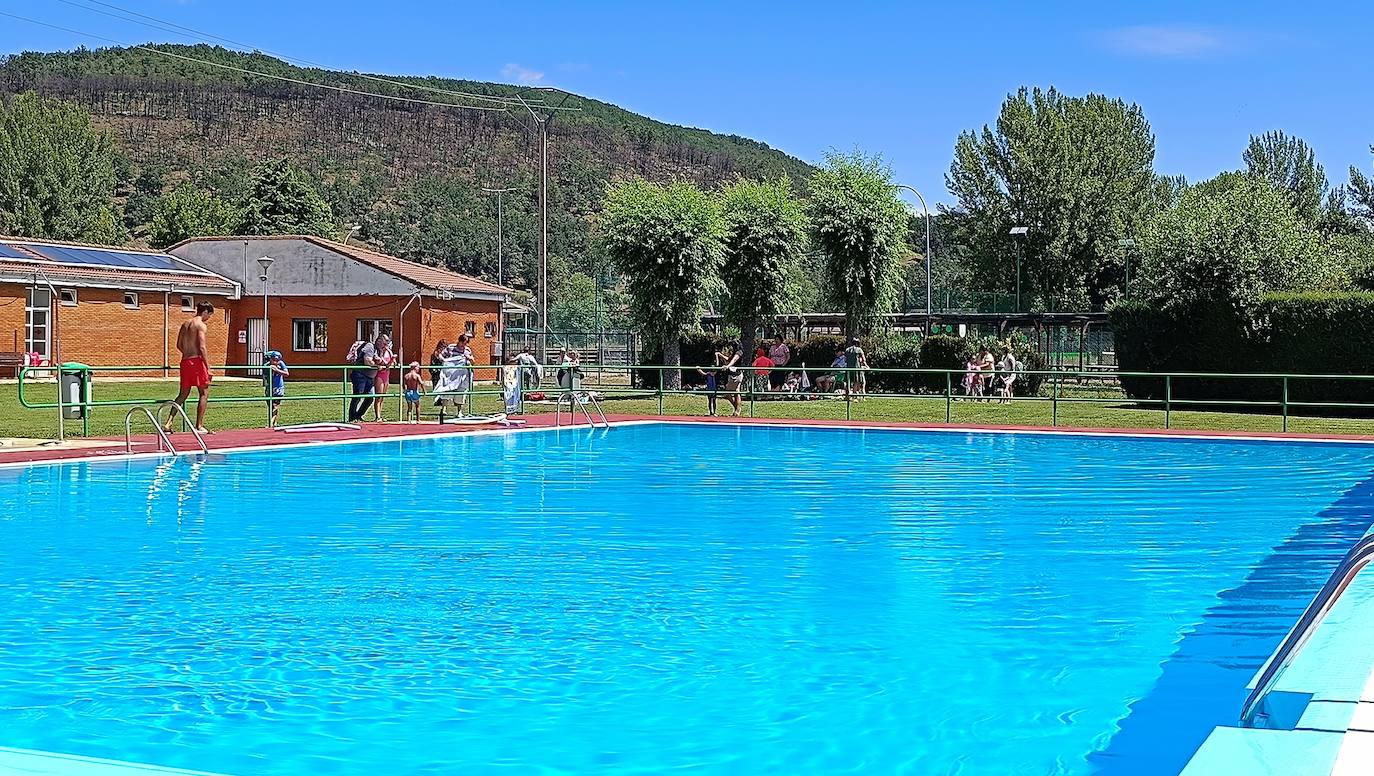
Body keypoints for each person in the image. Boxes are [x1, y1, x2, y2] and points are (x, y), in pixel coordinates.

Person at [166, 301, 216, 433]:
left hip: (185, 361)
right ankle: (199, 426)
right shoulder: (200, 325)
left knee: (183, 394)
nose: (208, 318)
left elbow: (179, 345)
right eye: (209, 315)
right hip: (197, 362)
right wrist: (208, 367)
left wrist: (187, 353)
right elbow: (202, 347)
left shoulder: (185, 324)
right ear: (205, 312)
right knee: (204, 393)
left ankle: (168, 422)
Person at [432, 335, 475, 423]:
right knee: (447, 391)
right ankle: (444, 409)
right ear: (459, 341)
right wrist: (444, 360)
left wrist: (470, 359)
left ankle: (459, 412)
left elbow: (472, 361)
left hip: (461, 375)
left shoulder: (467, 350)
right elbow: (440, 355)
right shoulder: (450, 348)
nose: (463, 346)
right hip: (450, 375)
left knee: (461, 393)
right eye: (462, 343)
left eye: (465, 344)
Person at [346, 335, 383, 422]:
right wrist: (377, 366)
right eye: (384, 343)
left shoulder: (378, 350)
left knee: (370, 398)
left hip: (369, 377)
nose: (385, 345)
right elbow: (367, 361)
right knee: (358, 396)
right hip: (360, 375)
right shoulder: (370, 346)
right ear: (379, 341)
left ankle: (358, 416)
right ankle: (352, 417)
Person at [371, 334, 395, 422]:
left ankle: (380, 415)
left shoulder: (388, 351)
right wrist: (382, 352)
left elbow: (393, 361)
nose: (386, 343)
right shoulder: (377, 351)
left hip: (386, 374)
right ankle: (377, 416)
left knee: (383, 397)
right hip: (380, 374)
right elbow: (381, 361)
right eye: (385, 341)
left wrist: (391, 359)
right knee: (379, 396)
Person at [265, 350, 288, 428]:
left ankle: (270, 425)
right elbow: (266, 377)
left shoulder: (281, 364)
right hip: (269, 388)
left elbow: (286, 373)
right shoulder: (266, 365)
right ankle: (274, 424)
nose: (275, 362)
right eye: (274, 360)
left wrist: (277, 370)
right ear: (270, 359)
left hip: (278, 388)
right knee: (271, 406)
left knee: (275, 406)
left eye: (277, 360)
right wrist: (270, 369)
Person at [720, 342, 743, 416]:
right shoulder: (734, 353)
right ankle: (737, 409)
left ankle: (737, 408)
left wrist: (727, 366)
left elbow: (733, 361)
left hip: (736, 375)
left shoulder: (739, 352)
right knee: (736, 391)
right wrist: (720, 355)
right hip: (732, 374)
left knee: (731, 393)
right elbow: (729, 359)